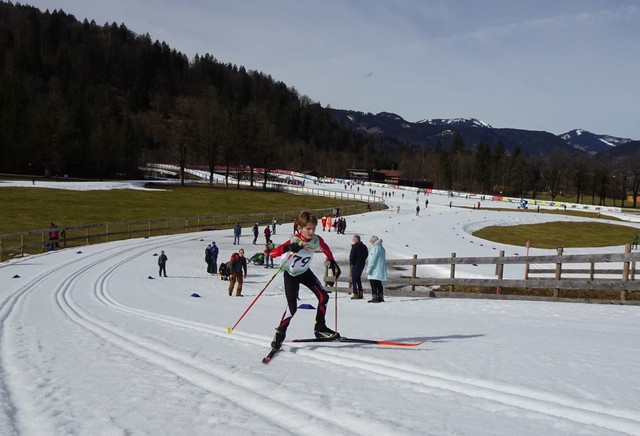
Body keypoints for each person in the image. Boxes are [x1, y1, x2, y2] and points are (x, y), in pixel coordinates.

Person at [268, 211, 342, 351]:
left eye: (313, 228)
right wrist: (288, 248)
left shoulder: (316, 240)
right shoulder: (294, 240)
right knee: (292, 307)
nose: (311, 231)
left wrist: (332, 263)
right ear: (300, 228)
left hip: (305, 272)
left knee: (323, 297)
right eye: (308, 228)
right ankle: (280, 333)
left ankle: (320, 328)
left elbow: (325, 248)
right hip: (291, 275)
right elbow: (271, 254)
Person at [366, 236, 388, 303]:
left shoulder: (375, 248)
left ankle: (374, 298)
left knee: (373, 283)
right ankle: (381, 297)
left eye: (371, 241)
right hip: (380, 269)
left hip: (374, 269)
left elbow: (372, 260)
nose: (370, 242)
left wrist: (369, 269)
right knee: (379, 283)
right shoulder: (381, 248)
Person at [349, 234, 368, 299]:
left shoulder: (355, 246)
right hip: (362, 264)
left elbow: (352, 255)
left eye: (353, 239)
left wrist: (351, 263)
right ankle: (360, 291)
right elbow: (366, 254)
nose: (352, 241)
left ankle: (355, 293)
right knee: (358, 278)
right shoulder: (364, 246)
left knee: (354, 279)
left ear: (355, 240)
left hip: (355, 264)